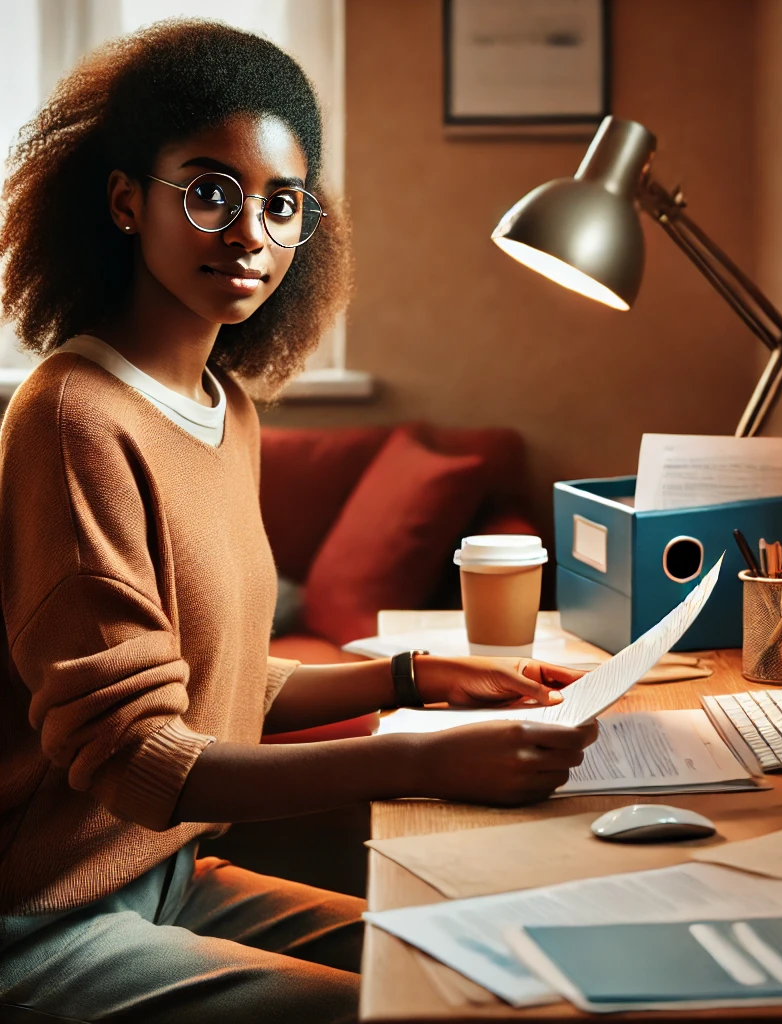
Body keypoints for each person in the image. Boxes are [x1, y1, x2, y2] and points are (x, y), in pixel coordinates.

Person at [0, 20, 598, 1023]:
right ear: (123, 201)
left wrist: (412, 675)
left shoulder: (224, 407)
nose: (250, 235)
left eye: (282, 205)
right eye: (209, 191)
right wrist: (421, 755)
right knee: (422, 1010)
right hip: (43, 922)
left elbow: (222, 678)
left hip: (168, 873)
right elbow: (138, 756)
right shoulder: (72, 418)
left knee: (496, 972)